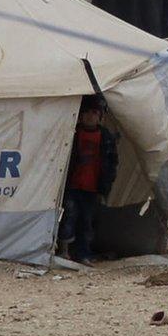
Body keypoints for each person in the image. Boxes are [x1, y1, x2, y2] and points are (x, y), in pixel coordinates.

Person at [60, 96, 118, 264]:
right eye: (86, 113)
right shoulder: (73, 133)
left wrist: (106, 186)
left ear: (100, 116)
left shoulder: (105, 137)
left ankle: (83, 253)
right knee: (69, 217)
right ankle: (64, 251)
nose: (90, 117)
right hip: (73, 185)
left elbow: (111, 163)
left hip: (92, 188)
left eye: (94, 113)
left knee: (87, 221)